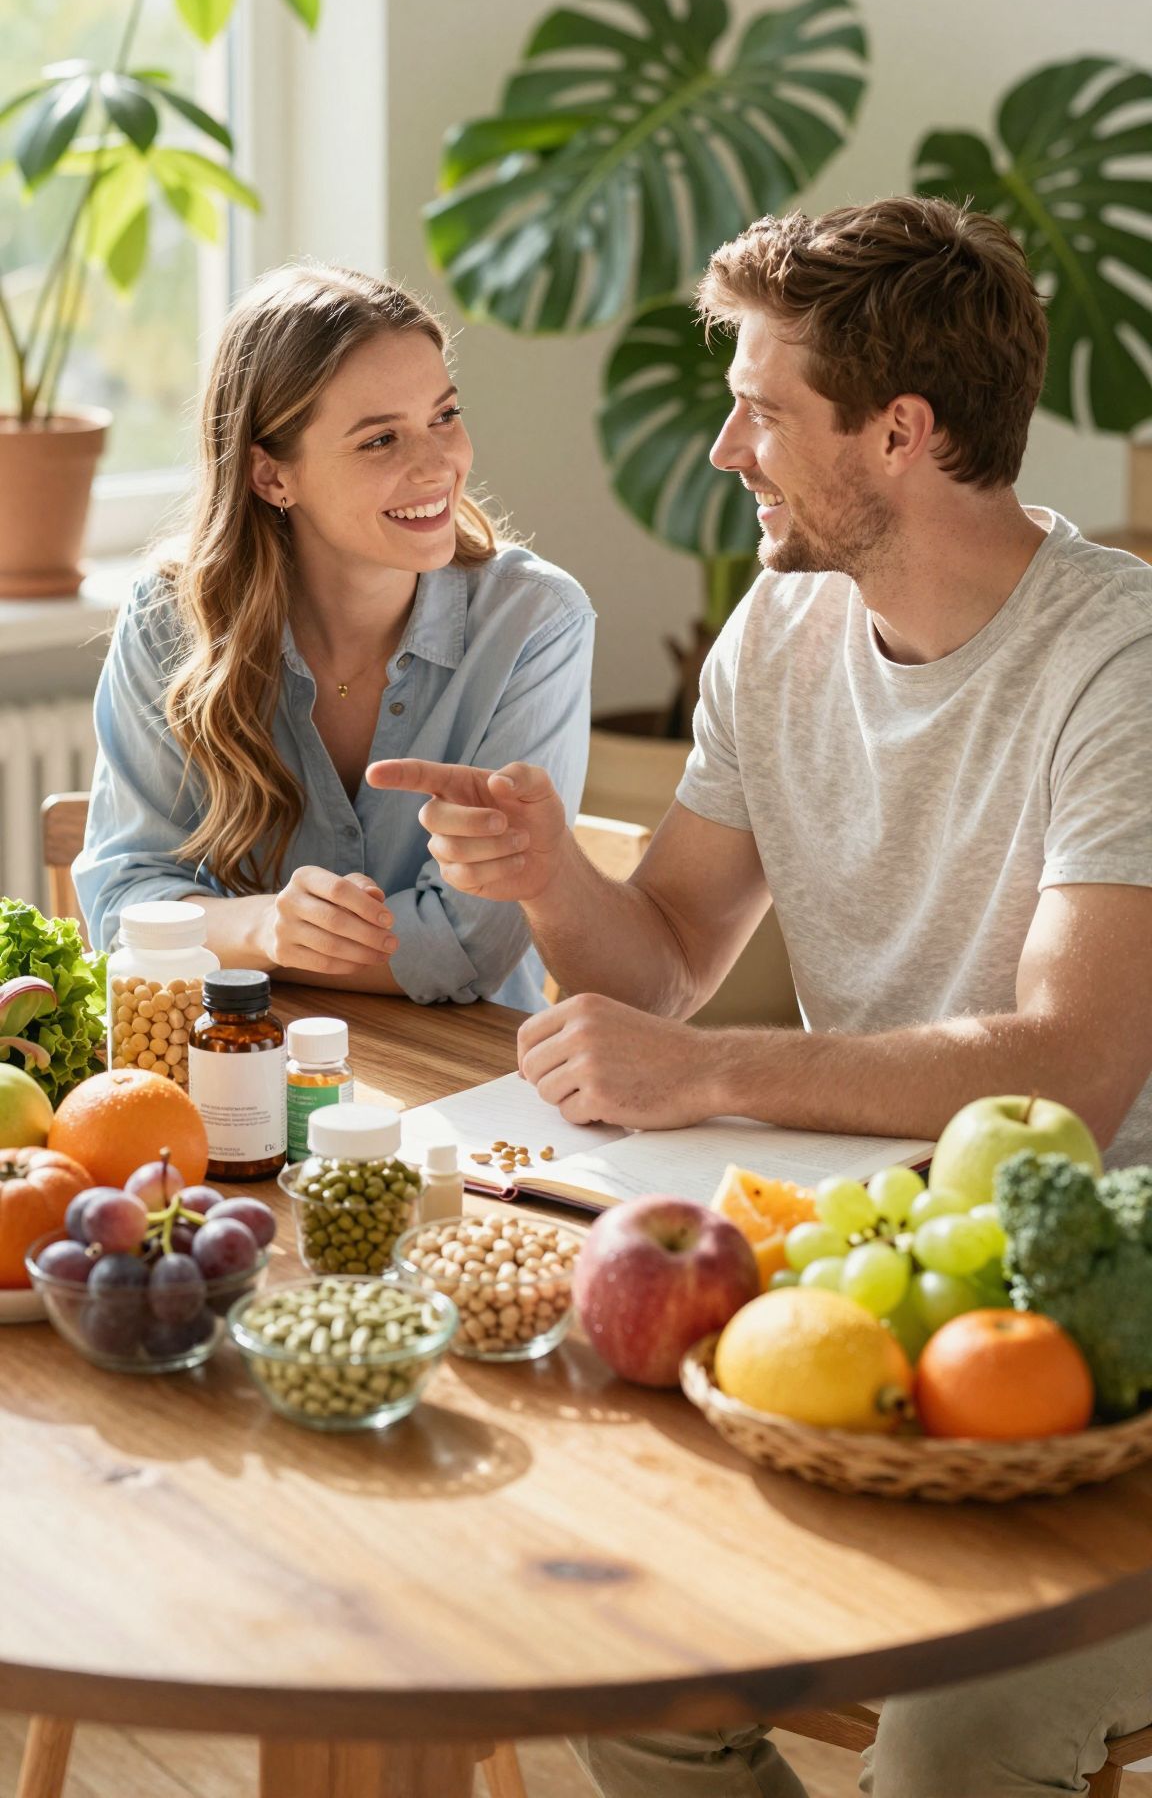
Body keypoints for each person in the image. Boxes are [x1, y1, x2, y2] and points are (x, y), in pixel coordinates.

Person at [368, 196, 1152, 1796]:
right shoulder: (782, 627)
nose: (727, 450)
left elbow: (1070, 1079)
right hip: (859, 1271)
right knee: (635, 1653)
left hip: (1103, 1333)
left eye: (763, 409)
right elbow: (662, 957)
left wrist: (708, 1076)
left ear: (902, 435)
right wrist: (551, 879)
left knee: (959, 1743)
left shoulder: (1119, 665)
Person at [75, 263, 594, 1011]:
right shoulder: (171, 618)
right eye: (381, 439)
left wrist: (212, 933)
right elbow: (121, 908)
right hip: (243, 1057)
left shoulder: (535, 623)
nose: (439, 464)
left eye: (444, 415)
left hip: (470, 1081)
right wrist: (264, 928)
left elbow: (470, 947)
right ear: (270, 477)